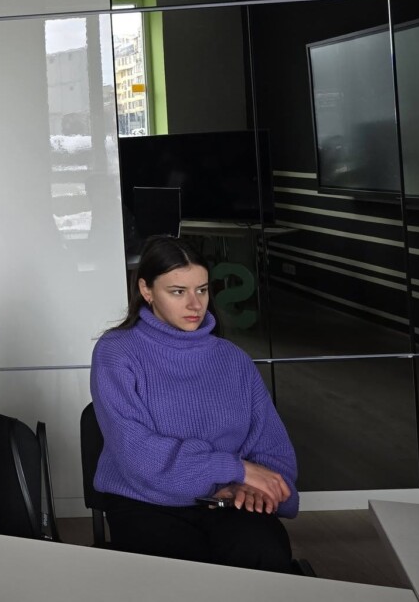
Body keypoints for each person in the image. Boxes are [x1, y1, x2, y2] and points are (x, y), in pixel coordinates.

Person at [91, 235, 299, 572]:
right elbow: (137, 453)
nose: (195, 304)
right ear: (146, 290)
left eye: (201, 290)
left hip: (229, 498)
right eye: (178, 292)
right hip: (146, 500)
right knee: (181, 571)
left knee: (264, 553)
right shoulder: (117, 352)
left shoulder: (233, 359)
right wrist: (235, 469)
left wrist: (249, 487)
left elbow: (273, 450)